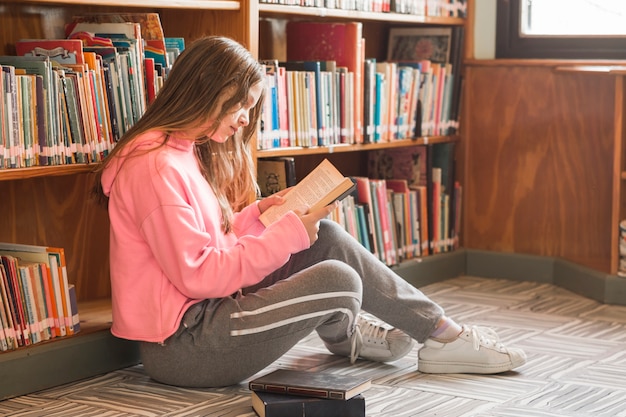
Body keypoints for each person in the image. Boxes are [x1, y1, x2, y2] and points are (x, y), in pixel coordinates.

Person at [93, 35, 526, 388]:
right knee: (339, 280)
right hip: (186, 347)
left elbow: (209, 244)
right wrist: (285, 233)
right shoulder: (155, 168)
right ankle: (354, 333)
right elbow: (200, 276)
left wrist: (264, 214)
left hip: (205, 320)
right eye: (241, 105)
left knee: (326, 239)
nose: (245, 119)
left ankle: (440, 334)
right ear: (208, 91)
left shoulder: (180, 152)